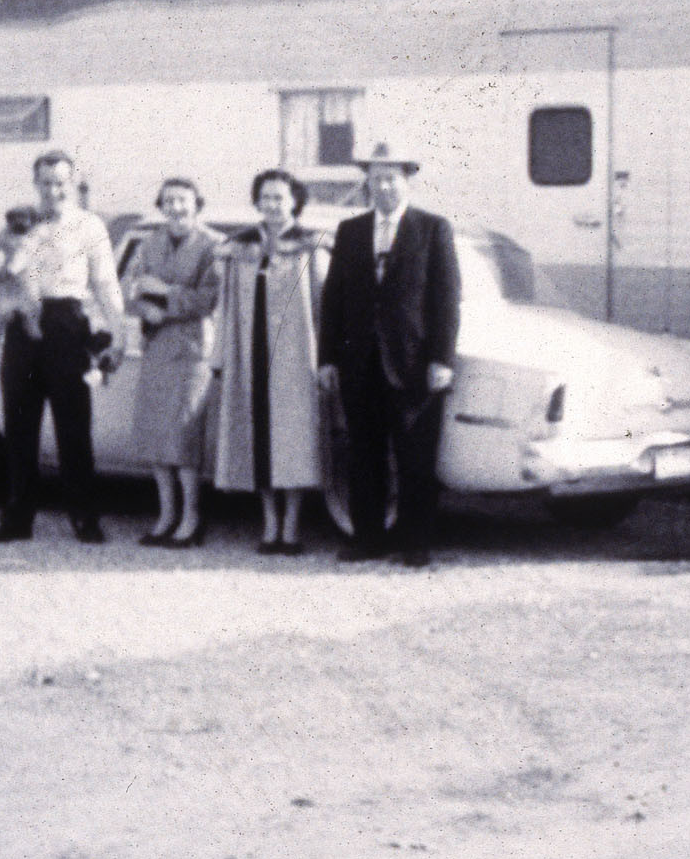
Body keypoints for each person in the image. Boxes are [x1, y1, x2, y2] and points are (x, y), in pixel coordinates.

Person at [318, 139, 461, 568]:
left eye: (391, 179)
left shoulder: (433, 229)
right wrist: (328, 358)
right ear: (368, 184)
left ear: (407, 182)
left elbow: (447, 300)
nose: (383, 187)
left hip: (413, 365)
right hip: (359, 365)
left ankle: (415, 541)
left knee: (416, 456)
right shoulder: (351, 231)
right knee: (364, 454)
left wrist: (442, 360)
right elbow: (334, 300)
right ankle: (368, 538)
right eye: (376, 179)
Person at [0, 150, 126, 544]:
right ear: (36, 185)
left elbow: (106, 283)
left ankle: (84, 517)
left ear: (73, 183)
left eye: (61, 182)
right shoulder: (20, 224)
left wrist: (118, 331)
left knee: (73, 426)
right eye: (46, 182)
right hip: (22, 327)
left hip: (67, 324)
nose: (53, 190)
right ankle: (17, 517)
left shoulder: (89, 226)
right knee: (19, 425)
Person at [214, 169, 322, 554]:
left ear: (294, 200)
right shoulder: (238, 247)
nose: (273, 205)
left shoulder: (311, 246)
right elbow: (225, 306)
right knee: (257, 437)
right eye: (266, 197)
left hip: (295, 358)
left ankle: (291, 527)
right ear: (256, 202)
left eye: (280, 197)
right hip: (251, 354)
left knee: (292, 441)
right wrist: (221, 356)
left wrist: (325, 359)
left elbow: (322, 307)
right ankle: (269, 524)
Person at [124, 177, 223, 548]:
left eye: (183, 201)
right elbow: (133, 286)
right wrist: (145, 304)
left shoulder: (212, 244)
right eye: (169, 201)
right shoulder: (150, 242)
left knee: (183, 436)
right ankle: (165, 515)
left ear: (197, 204)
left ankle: (191, 519)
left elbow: (209, 299)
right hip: (156, 349)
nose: (176, 208)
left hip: (191, 348)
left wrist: (165, 295)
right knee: (156, 437)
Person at [0, 204, 41, 353]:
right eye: (15, 218)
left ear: (32, 221)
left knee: (33, 304)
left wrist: (11, 270)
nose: (19, 222)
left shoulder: (32, 237)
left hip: (24, 280)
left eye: (24, 218)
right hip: (4, 282)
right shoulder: (3, 236)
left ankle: (32, 327)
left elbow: (23, 255)